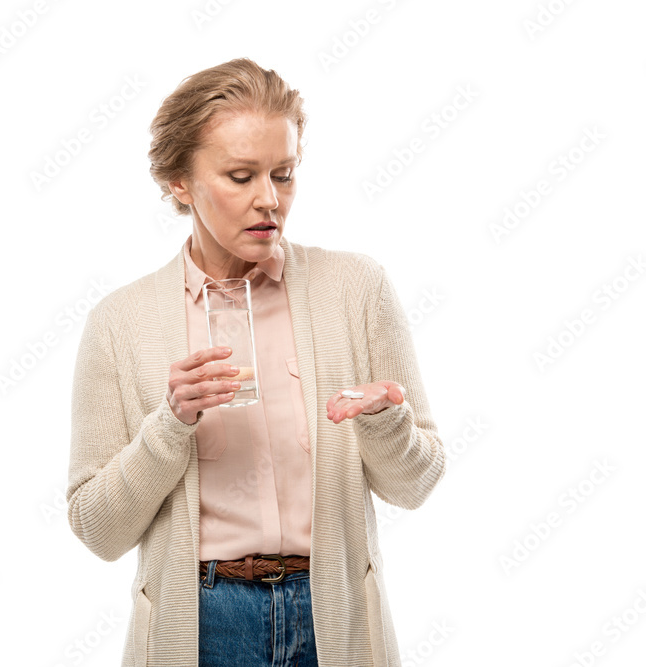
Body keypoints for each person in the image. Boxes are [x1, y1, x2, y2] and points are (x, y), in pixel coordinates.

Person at [66, 57, 447, 667]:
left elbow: (417, 485)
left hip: (334, 613)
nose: (269, 200)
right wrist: (171, 425)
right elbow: (97, 530)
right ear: (179, 183)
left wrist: (383, 423)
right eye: (241, 176)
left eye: (284, 173)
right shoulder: (120, 322)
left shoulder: (356, 289)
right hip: (203, 624)